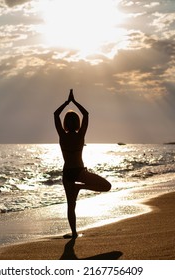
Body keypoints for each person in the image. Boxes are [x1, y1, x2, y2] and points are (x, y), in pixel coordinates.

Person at [54, 89, 111, 238]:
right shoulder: (80, 136)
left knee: (71, 206)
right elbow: (86, 114)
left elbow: (55, 114)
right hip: (79, 171)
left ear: (65, 123)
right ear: (77, 123)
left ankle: (74, 233)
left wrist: (67, 103)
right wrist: (74, 102)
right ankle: (81, 187)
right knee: (107, 186)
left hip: (67, 173)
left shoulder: (62, 135)